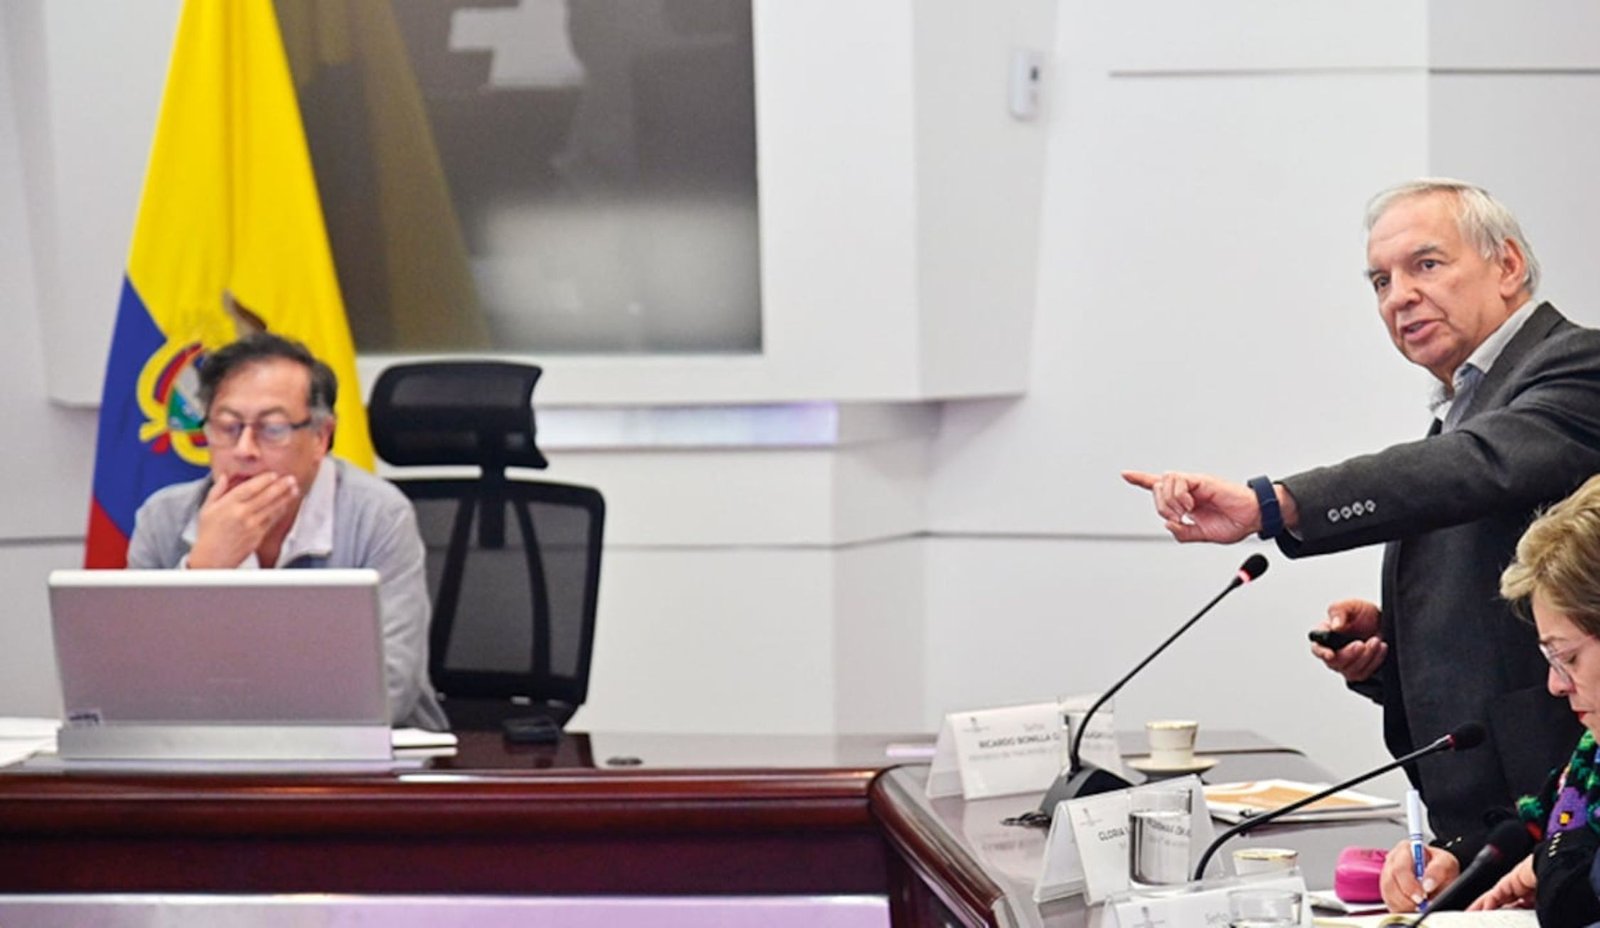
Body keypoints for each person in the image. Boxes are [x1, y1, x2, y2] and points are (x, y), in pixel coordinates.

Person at [1123, 178, 1600, 909]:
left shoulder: (1578, 366)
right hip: (1483, 823)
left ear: (1507, 265)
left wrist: (1274, 504)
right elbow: (1482, 575)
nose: (1399, 296)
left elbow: (1471, 470)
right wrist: (1391, 648)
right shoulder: (1468, 400)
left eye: (1426, 265)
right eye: (1381, 281)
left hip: (1560, 800)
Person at [126, 333, 448, 731]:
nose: (244, 449)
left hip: (361, 754)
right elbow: (132, 684)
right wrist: (202, 571)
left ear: (321, 437)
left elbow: (391, 688)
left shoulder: (378, 516)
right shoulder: (162, 519)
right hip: (206, 751)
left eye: (272, 429)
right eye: (227, 427)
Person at [1466, 474, 1600, 925]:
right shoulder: (1590, 761)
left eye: (1567, 658)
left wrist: (1549, 864)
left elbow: (1572, 892)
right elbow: (1531, 834)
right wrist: (1454, 860)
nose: (1556, 685)